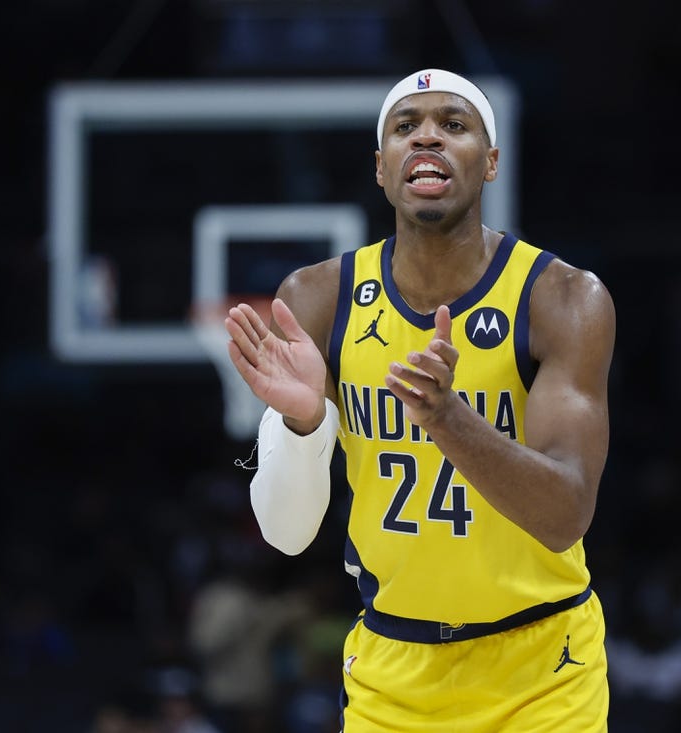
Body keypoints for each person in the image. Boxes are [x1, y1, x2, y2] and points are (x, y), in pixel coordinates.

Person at [224, 68, 615, 731]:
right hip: (393, 671)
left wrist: (448, 418)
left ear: (490, 162)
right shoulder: (318, 298)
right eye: (406, 127)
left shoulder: (563, 300)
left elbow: (566, 512)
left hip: (543, 669)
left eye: (453, 125)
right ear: (382, 168)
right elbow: (287, 536)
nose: (427, 138)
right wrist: (302, 423)